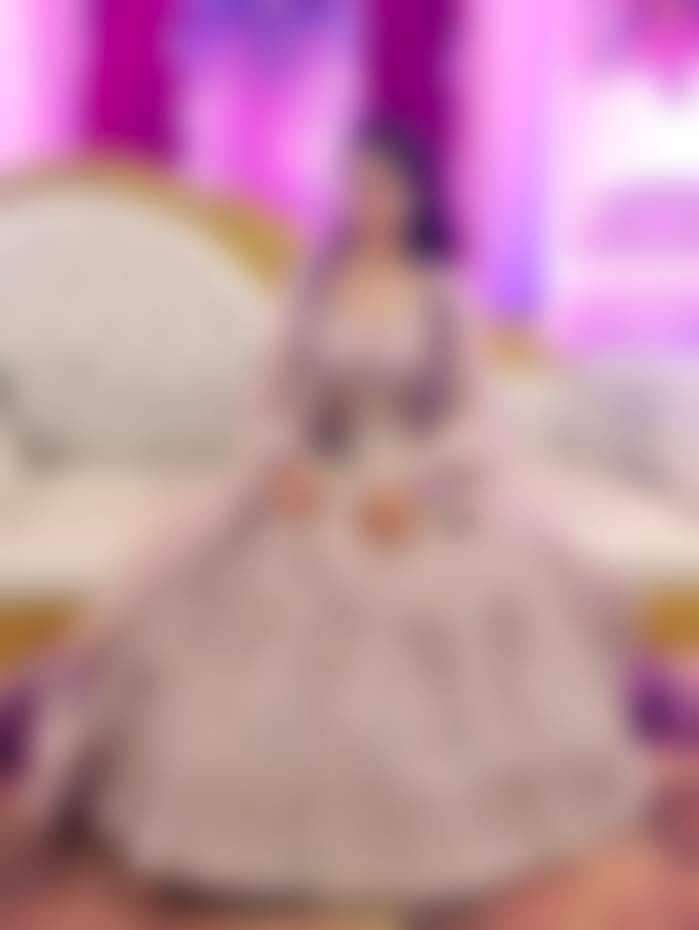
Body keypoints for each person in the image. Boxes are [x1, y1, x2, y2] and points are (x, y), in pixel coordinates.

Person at [5, 122, 646, 929]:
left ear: (415, 196)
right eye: (357, 187)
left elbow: (471, 421)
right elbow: (275, 401)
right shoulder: (314, 287)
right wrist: (285, 464)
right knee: (244, 590)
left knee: (454, 591)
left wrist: (414, 485)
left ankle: (430, 829)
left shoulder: (440, 294)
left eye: (385, 187)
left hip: (414, 482)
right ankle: (261, 833)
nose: (369, 203)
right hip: (315, 476)